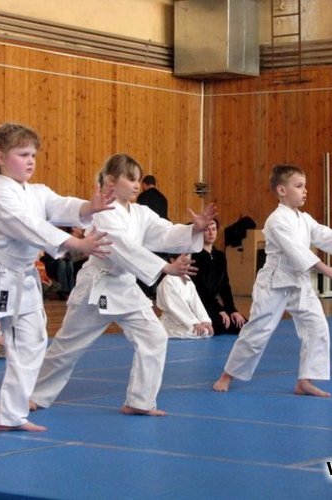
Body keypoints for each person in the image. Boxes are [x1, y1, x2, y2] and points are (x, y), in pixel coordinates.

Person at [0, 122, 114, 431]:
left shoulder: (36, 192)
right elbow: (31, 227)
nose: (30, 161)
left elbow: (60, 205)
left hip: (21, 280)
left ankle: (12, 415)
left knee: (31, 344)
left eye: (33, 155)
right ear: (0, 158)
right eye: (23, 154)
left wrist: (88, 207)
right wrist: (77, 243)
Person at [30, 153, 216, 417]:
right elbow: (120, 247)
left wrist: (193, 230)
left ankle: (140, 401)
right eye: (130, 179)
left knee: (154, 336)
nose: (136, 184)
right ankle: (35, 395)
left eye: (138, 179)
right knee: (68, 346)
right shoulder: (103, 212)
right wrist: (164, 267)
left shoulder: (140, 213)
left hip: (125, 287)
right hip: (97, 287)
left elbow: (164, 232)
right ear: (111, 181)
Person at [212, 164, 332, 397]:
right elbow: (297, 251)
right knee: (258, 331)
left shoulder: (304, 219)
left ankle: (305, 380)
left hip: (298, 281)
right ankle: (227, 375)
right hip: (274, 283)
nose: (305, 191)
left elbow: (323, 235)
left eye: (305, 186)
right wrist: (329, 272)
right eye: (299, 186)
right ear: (282, 190)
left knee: (317, 326)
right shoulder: (276, 221)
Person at [191, 218, 246, 334]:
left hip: (214, 304)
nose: (211, 233)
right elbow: (200, 290)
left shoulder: (220, 256)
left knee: (243, 324)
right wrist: (219, 309)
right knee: (221, 324)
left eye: (214, 229)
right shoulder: (194, 257)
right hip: (200, 304)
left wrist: (232, 310)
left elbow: (225, 286)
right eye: (207, 230)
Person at [157, 254, 214, 339]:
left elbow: (196, 302)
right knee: (197, 332)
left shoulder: (188, 279)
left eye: (189, 262)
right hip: (171, 321)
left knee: (206, 330)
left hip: (186, 320)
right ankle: (165, 331)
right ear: (172, 260)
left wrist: (204, 320)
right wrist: (194, 322)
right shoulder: (168, 281)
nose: (187, 265)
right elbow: (176, 306)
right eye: (184, 261)